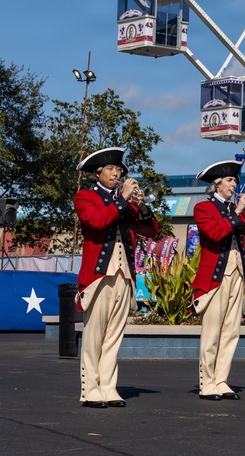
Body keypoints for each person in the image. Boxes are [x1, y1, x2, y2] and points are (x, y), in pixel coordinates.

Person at [73, 147, 158, 409]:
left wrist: (142, 207)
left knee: (114, 335)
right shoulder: (85, 197)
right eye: (111, 169)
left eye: (119, 170)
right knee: (94, 335)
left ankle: (109, 387)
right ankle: (90, 389)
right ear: (98, 172)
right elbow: (97, 222)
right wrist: (122, 199)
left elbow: (150, 231)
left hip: (124, 276)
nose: (116, 173)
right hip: (99, 276)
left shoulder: (125, 202)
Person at [191, 160, 245, 401]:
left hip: (238, 277)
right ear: (217, 184)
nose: (235, 185)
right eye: (230, 181)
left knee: (231, 332)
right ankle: (207, 382)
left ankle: (221, 380)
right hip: (215, 278)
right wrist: (238, 212)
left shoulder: (236, 211)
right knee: (212, 333)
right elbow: (214, 234)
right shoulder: (204, 208)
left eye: (235, 180)